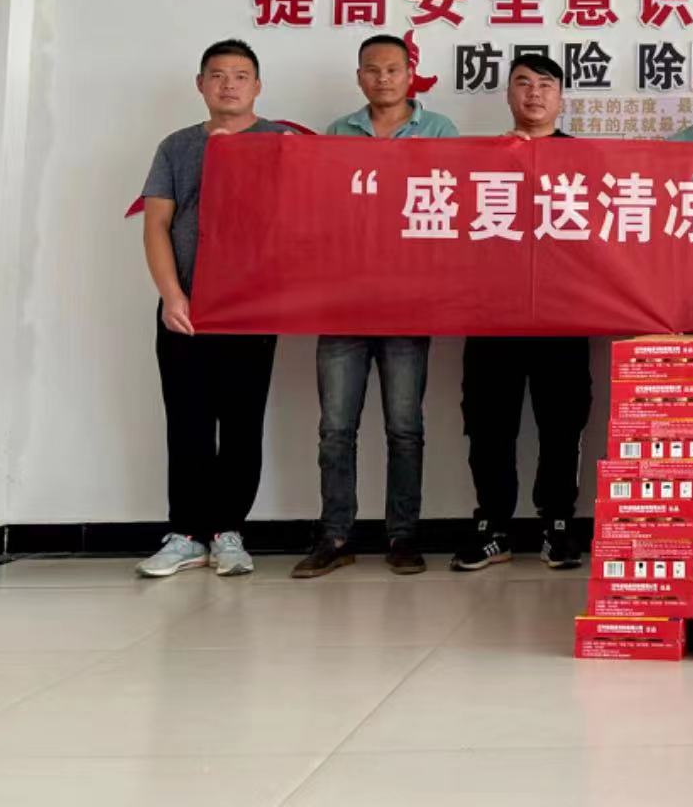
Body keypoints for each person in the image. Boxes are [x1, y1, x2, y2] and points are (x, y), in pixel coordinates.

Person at [294, 34, 459, 579]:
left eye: (393, 69)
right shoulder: (338, 132)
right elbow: (319, 210)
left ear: (411, 74)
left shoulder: (440, 131)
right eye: (372, 69)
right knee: (336, 429)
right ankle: (335, 535)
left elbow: (456, 208)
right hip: (343, 301)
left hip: (409, 302)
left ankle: (403, 536)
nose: (383, 78)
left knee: (404, 428)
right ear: (359, 76)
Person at [136, 39, 287, 578]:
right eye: (218, 75)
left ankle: (228, 532)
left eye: (241, 75)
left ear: (258, 86)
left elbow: (298, 221)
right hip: (187, 307)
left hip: (251, 308)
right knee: (188, 424)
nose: (229, 85)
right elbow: (157, 224)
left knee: (242, 424)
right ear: (200, 84)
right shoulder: (177, 146)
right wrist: (172, 294)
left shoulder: (281, 143)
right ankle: (185, 534)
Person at [453, 54, 593, 571]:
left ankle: (558, 525)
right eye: (523, 83)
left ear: (561, 98)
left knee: (563, 424)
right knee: (488, 424)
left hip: (563, 314)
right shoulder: (482, 157)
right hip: (493, 313)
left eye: (546, 85)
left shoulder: (586, 159)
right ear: (508, 94)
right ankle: (493, 526)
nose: (534, 93)